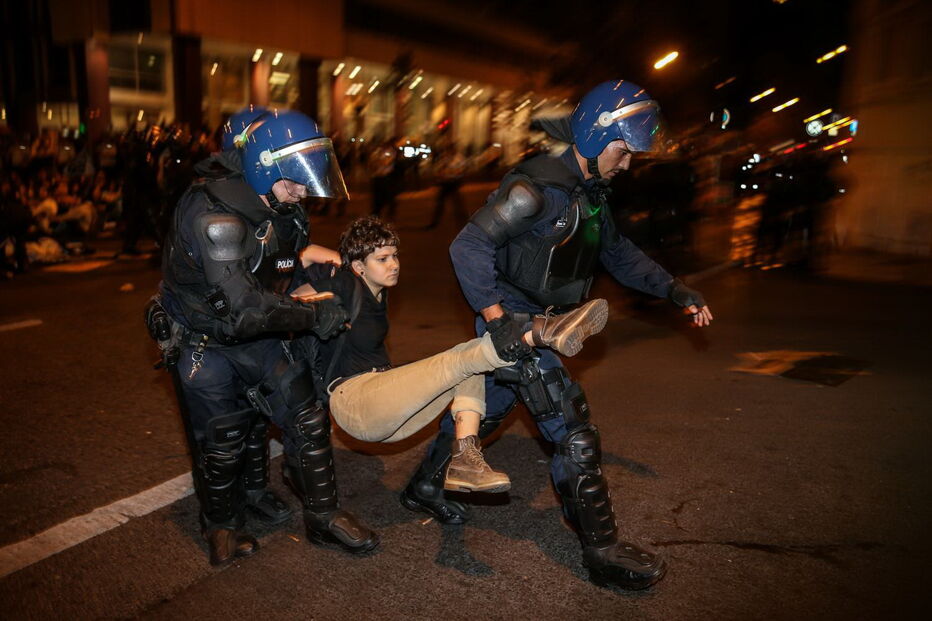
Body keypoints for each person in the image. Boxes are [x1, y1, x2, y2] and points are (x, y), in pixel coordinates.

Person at [399, 80, 714, 591]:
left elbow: (619, 255)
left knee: (492, 408)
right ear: (594, 135)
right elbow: (468, 246)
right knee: (573, 430)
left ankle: (422, 488)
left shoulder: (589, 193)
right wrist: (498, 320)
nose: (628, 162)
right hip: (518, 325)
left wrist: (676, 290)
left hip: (548, 322)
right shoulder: (534, 190)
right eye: (624, 149)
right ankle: (602, 550)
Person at [148, 109, 378, 566]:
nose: (303, 190)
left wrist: (308, 286)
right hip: (205, 341)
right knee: (222, 439)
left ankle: (323, 515)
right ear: (263, 166)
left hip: (258, 330)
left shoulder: (279, 204)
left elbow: (277, 263)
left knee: (305, 417)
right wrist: (313, 317)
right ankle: (221, 526)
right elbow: (244, 308)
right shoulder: (215, 218)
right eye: (293, 179)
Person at [304, 216, 608, 492]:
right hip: (355, 401)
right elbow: (299, 271)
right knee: (463, 356)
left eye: (394, 255)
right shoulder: (345, 282)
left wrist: (350, 259)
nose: (394, 264)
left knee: (470, 368)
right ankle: (540, 332)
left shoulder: (376, 292)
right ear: (359, 267)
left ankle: (465, 458)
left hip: (385, 412)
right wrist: (327, 262)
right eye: (382, 259)